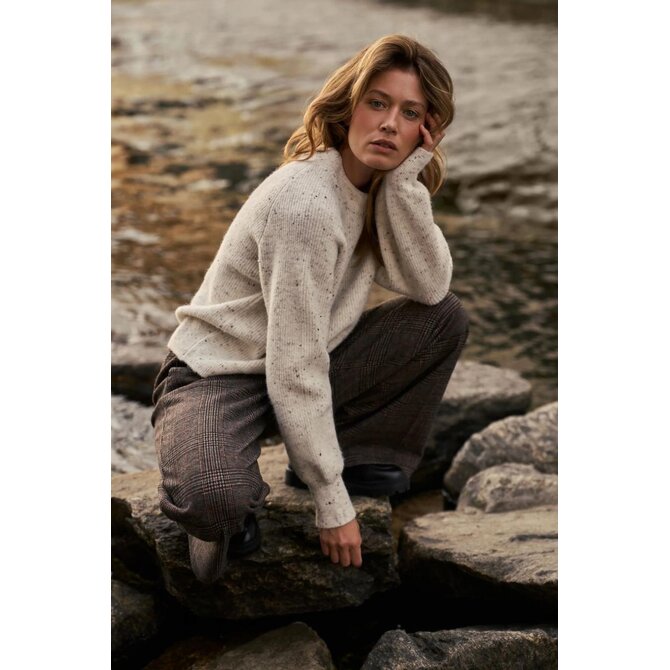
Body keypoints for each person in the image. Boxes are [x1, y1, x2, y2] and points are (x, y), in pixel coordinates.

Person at [150, 33, 470, 584]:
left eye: (410, 112)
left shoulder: (378, 189)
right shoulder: (307, 203)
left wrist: (404, 183)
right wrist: (331, 501)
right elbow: (294, 365)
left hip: (305, 362)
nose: (389, 124)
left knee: (444, 319)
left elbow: (430, 285)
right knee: (218, 500)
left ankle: (347, 451)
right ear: (349, 107)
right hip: (217, 375)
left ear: (427, 129)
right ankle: (224, 492)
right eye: (377, 103)